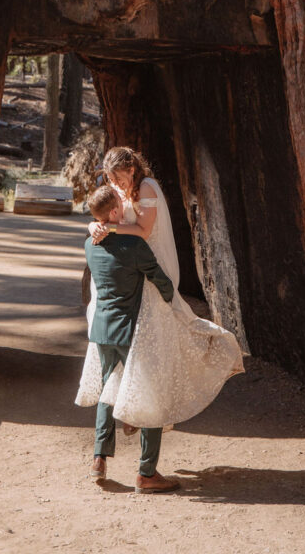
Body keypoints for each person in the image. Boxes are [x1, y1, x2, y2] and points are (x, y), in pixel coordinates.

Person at [76, 147, 244, 429]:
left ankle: (143, 406)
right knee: (124, 339)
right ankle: (128, 404)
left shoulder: (148, 188)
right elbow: (107, 212)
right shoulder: (118, 187)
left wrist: (110, 229)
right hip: (126, 265)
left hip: (148, 265)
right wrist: (96, 224)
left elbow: (142, 230)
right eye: (110, 178)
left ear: (131, 169)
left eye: (119, 177)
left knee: (149, 337)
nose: (115, 183)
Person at [83, 185, 180, 493]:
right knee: (149, 393)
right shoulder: (133, 245)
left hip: (101, 329)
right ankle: (147, 473)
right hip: (129, 329)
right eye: (121, 208)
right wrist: (174, 304)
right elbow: (159, 278)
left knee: (106, 389)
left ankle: (99, 457)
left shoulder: (89, 244)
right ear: (113, 213)